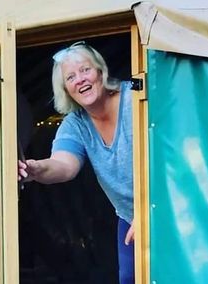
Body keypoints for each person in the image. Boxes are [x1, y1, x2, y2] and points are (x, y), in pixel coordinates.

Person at [18, 41, 135, 284]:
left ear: (100, 71)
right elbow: (64, 165)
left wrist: (150, 215)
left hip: (168, 204)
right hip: (128, 215)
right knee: (130, 278)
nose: (80, 79)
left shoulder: (135, 101)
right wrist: (35, 169)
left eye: (85, 70)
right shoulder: (76, 124)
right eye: (70, 77)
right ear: (65, 89)